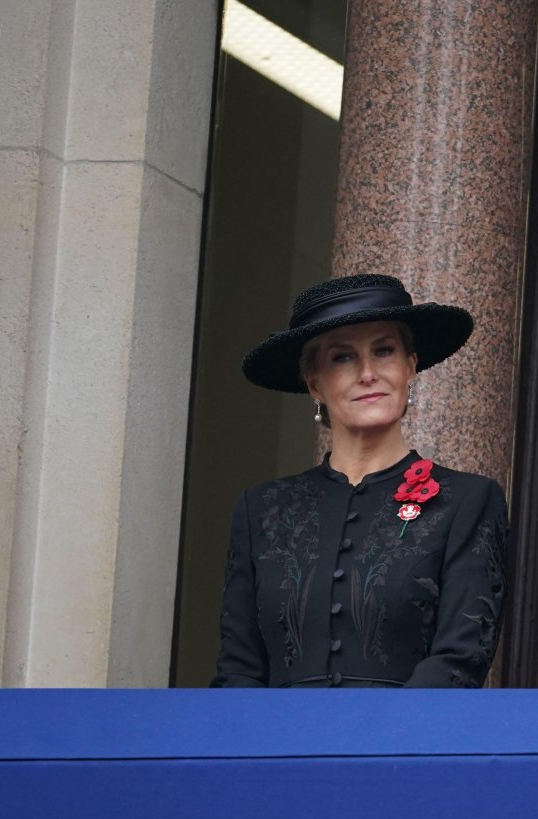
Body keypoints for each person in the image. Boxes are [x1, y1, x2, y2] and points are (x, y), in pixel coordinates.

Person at [211, 273, 508, 688]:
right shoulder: (260, 509)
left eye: (384, 351)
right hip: (279, 746)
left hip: (404, 746)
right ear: (315, 383)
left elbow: (459, 660)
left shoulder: (469, 500)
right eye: (342, 357)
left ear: (410, 366)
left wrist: (375, 745)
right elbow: (238, 669)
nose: (368, 373)